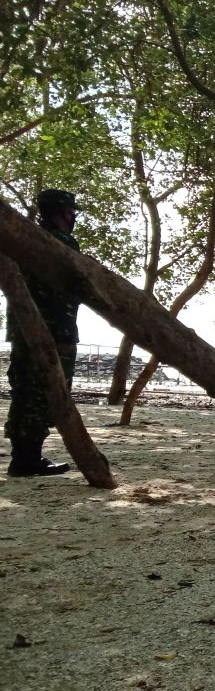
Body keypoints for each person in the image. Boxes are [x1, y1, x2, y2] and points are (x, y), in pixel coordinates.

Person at [5, 189, 80, 477]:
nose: (73, 218)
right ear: (64, 212)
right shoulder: (60, 243)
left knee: (25, 391)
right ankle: (28, 459)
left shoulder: (24, 241)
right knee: (44, 393)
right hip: (53, 330)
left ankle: (23, 457)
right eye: (71, 213)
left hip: (25, 329)